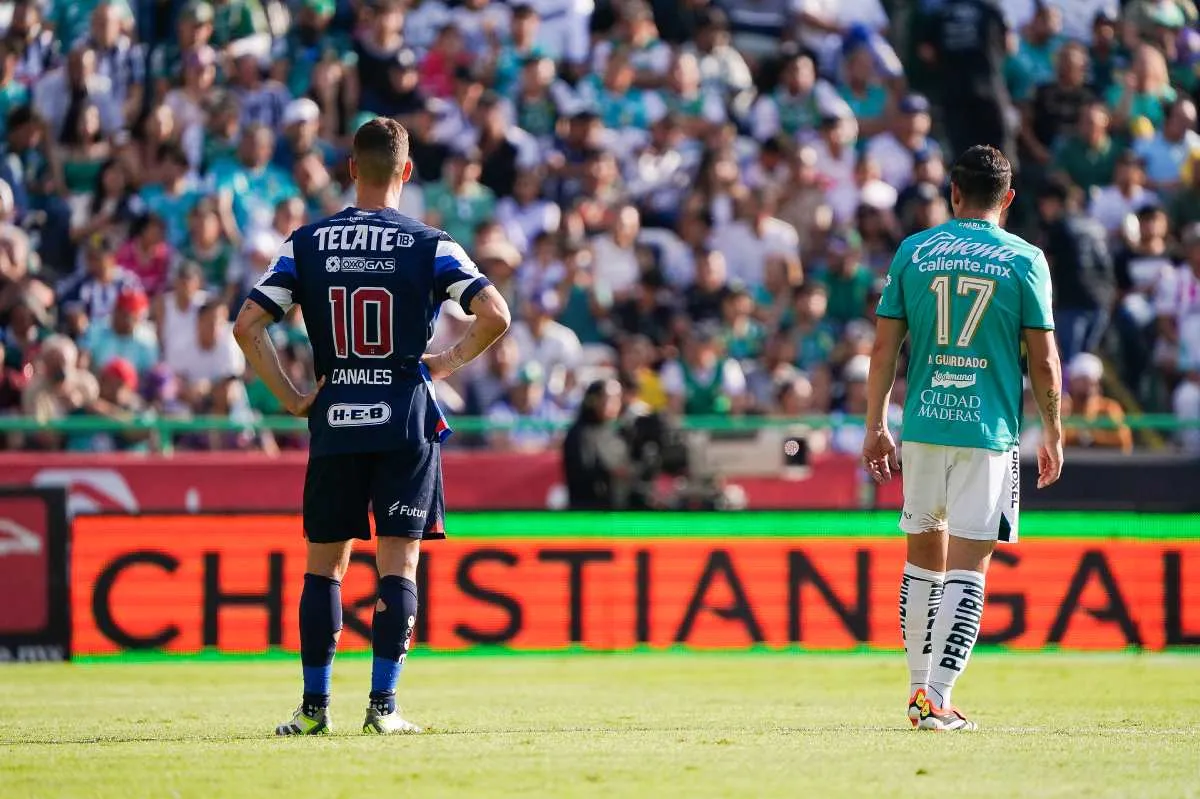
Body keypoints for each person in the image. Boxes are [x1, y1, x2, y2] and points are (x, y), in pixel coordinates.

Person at [233, 118, 510, 736]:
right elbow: (496, 313)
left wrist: (292, 397)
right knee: (398, 566)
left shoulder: (306, 242)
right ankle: (383, 708)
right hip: (404, 417)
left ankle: (312, 710)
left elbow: (247, 325)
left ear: (352, 169)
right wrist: (445, 363)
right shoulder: (431, 244)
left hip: (336, 418)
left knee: (323, 567)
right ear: (406, 172)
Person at [864, 145, 1063, 731]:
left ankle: (918, 691)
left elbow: (883, 350)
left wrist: (877, 424)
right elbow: (1045, 358)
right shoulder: (1025, 259)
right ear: (1007, 199)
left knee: (923, 556)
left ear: (953, 193)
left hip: (923, 424)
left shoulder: (914, 251)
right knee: (970, 565)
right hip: (988, 431)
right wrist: (1053, 430)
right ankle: (939, 698)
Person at [563, 378, 632, 509]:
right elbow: (582, 473)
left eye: (617, 398)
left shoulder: (613, 432)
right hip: (587, 512)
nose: (615, 404)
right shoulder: (579, 434)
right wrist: (611, 472)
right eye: (609, 398)